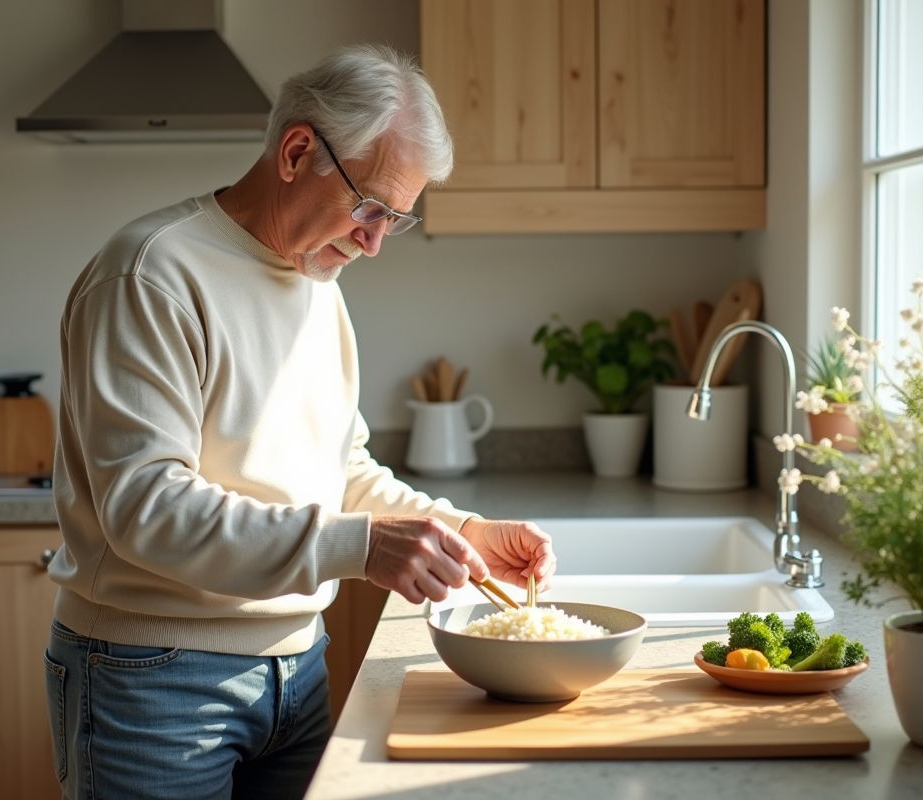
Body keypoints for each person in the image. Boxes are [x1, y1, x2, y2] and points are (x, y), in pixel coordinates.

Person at [43, 43, 556, 800]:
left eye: (397, 220)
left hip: (297, 670)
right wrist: (360, 547)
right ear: (296, 152)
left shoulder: (318, 280)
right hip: (151, 677)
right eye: (372, 207)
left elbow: (341, 471)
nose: (376, 241)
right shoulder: (151, 274)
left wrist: (465, 533)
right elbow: (145, 510)